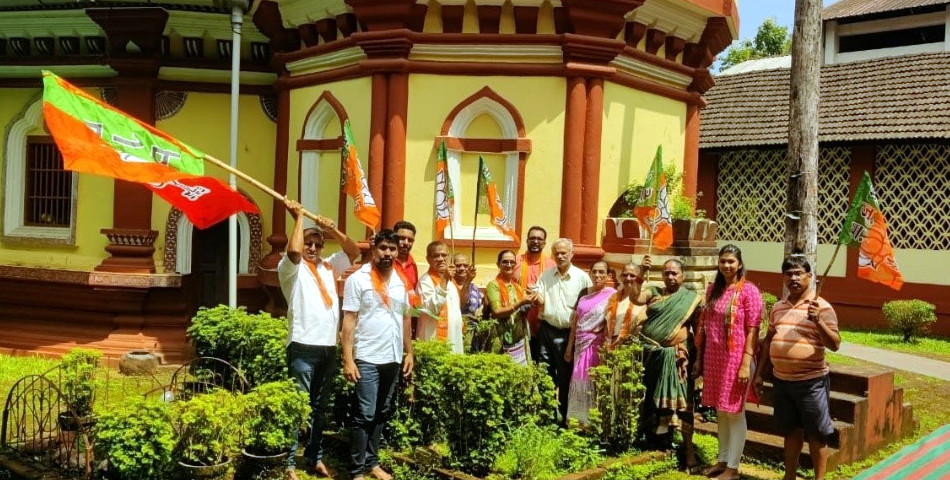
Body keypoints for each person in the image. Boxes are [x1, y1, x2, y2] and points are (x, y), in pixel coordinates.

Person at [278, 200, 360, 480]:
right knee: (299, 407)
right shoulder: (291, 269)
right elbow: (293, 251)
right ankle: (290, 463)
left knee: (319, 409)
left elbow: (354, 251)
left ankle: (315, 457)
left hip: (327, 348)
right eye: (309, 243)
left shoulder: (328, 267)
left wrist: (333, 230)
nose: (312, 248)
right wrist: (298, 217)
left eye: (317, 244)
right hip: (302, 346)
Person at [754, 255, 840, 480]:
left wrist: (818, 321)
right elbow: (769, 340)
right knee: (790, 431)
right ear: (783, 278)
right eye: (788, 274)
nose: (793, 278)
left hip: (811, 382)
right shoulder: (779, 307)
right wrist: (760, 373)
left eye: (798, 273)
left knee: (817, 434)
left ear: (809, 276)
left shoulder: (822, 307)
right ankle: (789, 476)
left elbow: (835, 344)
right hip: (782, 380)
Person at [341, 229, 415, 480]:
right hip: (367, 357)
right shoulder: (358, 279)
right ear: (374, 250)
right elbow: (349, 321)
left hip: (392, 357)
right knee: (365, 414)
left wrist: (409, 353)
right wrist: (348, 359)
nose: (388, 253)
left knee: (382, 412)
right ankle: (357, 471)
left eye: (392, 249)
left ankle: (372, 463)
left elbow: (405, 319)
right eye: (383, 248)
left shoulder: (401, 280)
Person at [696, 244, 763, 480]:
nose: (726, 265)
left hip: (737, 360)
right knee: (720, 412)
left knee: (734, 412)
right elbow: (706, 326)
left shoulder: (749, 292)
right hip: (714, 359)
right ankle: (722, 460)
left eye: (731, 261)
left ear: (740, 264)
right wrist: (700, 360)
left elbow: (753, 329)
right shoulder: (713, 289)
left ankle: (733, 468)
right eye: (723, 261)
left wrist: (746, 363)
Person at [639, 257, 703, 471]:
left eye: (674, 273)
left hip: (678, 359)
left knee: (682, 404)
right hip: (652, 357)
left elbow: (699, 333)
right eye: (666, 273)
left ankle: (689, 453)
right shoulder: (654, 294)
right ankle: (659, 445)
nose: (670, 276)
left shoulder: (691, 299)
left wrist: (698, 360)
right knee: (653, 402)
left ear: (683, 276)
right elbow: (635, 297)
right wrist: (641, 271)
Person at [535, 238, 592, 423]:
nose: (559, 256)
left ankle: (565, 418)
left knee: (566, 377)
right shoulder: (545, 276)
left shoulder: (582, 278)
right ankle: (546, 416)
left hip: (569, 334)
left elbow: (590, 303)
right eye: (557, 253)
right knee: (545, 374)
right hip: (546, 330)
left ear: (571, 254)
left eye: (563, 253)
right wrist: (533, 297)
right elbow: (540, 299)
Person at [564, 260, 615, 424]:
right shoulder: (584, 295)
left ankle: (593, 422)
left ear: (608, 275)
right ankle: (577, 421)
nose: (598, 275)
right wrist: (569, 348)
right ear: (590, 273)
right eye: (595, 272)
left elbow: (611, 323)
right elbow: (575, 324)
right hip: (580, 345)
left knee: (592, 383)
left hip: (596, 346)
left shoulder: (612, 295)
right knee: (578, 381)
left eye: (602, 272)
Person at [485, 249, 538, 364]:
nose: (509, 265)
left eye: (512, 262)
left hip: (517, 339)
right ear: (498, 264)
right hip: (500, 339)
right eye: (505, 262)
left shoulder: (517, 287)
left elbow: (521, 313)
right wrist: (521, 302)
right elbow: (497, 312)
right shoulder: (493, 285)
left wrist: (528, 306)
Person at [515, 226, 556, 361]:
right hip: (518, 318)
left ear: (544, 243)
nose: (536, 241)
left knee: (540, 359)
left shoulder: (551, 265)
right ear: (527, 241)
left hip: (542, 321)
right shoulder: (515, 261)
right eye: (532, 238)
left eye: (539, 239)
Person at [417, 241, 464, 353]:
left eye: (444, 255)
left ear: (449, 257)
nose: (441, 259)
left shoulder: (452, 282)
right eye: (436, 256)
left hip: (454, 339)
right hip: (434, 341)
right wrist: (444, 280)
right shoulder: (425, 281)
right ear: (428, 259)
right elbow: (432, 310)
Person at [605, 262, 649, 349]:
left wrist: (626, 338)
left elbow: (642, 324)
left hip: (632, 344)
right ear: (620, 277)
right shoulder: (614, 297)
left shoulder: (644, 297)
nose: (628, 278)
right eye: (625, 275)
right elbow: (607, 321)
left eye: (632, 276)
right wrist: (607, 340)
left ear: (638, 278)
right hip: (611, 343)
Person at [392, 220, 420, 307]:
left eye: (410, 240)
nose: (406, 243)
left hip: (408, 315)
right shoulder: (386, 261)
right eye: (402, 238)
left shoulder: (412, 264)